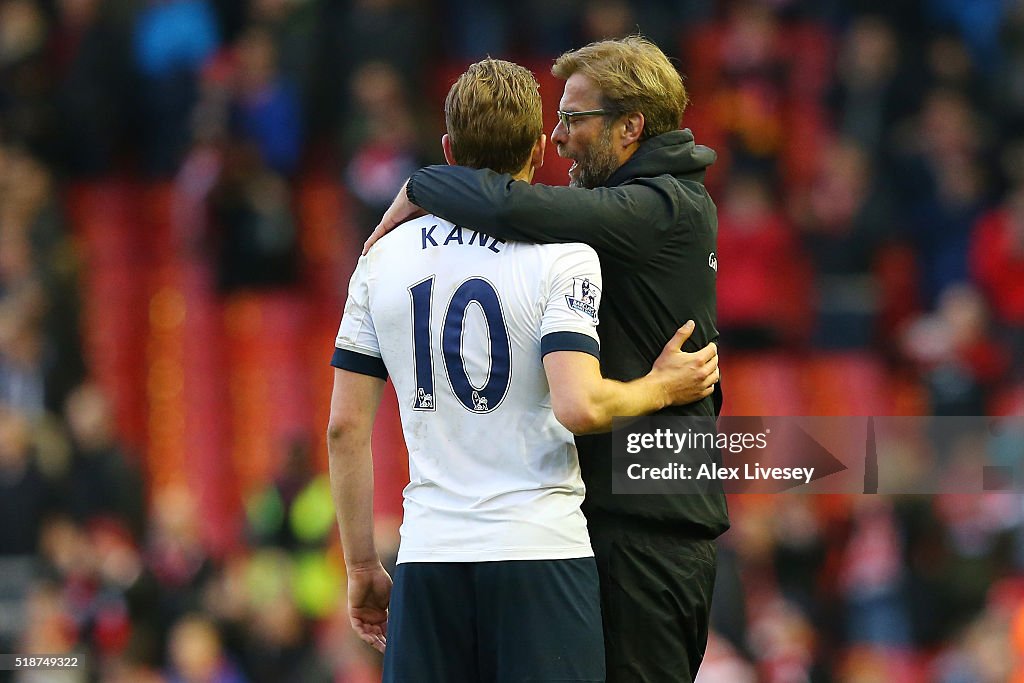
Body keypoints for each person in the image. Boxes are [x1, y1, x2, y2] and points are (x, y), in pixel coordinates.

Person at [327, 58, 720, 683]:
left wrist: (425, 184)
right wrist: (659, 386)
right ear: (536, 150)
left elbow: (345, 427)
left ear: (630, 128)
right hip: (551, 541)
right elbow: (578, 403)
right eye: (554, 124)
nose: (561, 136)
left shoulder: (660, 208)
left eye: (575, 119)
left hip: (625, 526)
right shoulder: (565, 252)